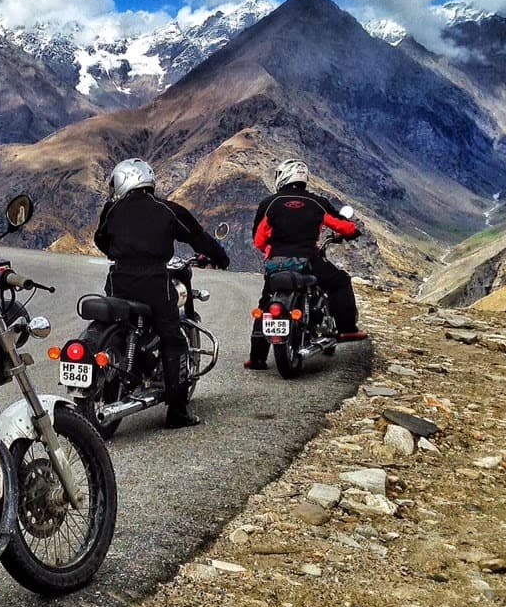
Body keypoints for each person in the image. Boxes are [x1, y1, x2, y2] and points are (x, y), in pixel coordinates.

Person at [94, 158, 230, 428]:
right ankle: (177, 412)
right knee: (173, 339)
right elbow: (197, 236)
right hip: (154, 281)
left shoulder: (112, 209)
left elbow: (101, 240)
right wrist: (220, 258)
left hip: (118, 279)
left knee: (119, 323)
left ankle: (125, 370)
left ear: (122, 182)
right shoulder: (167, 210)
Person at [247, 158, 366, 369]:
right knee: (340, 282)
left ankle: (257, 357)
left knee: (266, 302)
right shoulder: (316, 202)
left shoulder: (269, 203)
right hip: (309, 259)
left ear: (282, 177)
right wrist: (352, 231)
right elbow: (343, 226)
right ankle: (347, 327)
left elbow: (258, 240)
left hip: (277, 262)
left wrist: (271, 251)